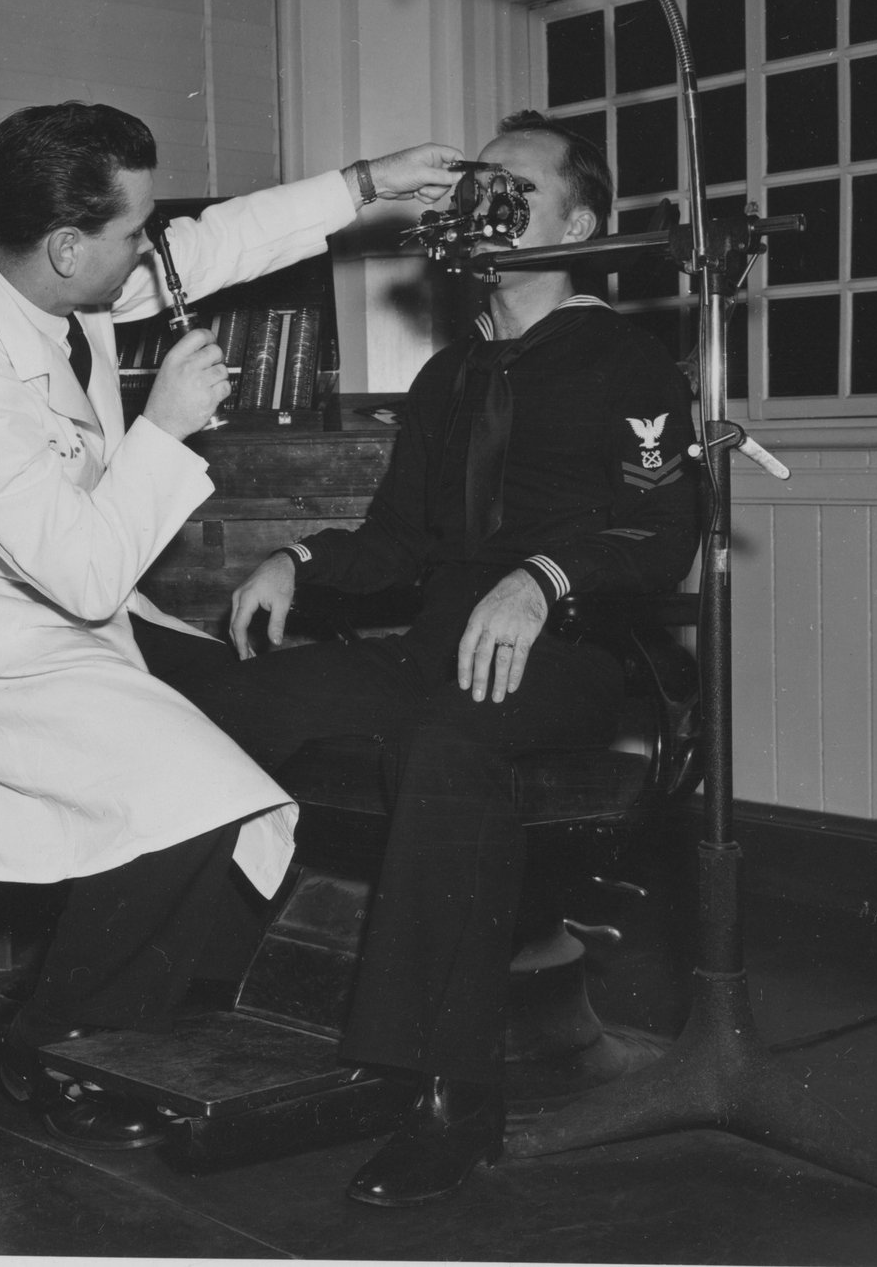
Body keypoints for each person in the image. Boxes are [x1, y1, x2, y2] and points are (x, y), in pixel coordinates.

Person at [0, 99, 461, 1151]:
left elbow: (199, 250)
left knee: (324, 698)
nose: (149, 253)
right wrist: (167, 427)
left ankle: (192, 998)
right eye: (130, 233)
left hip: (73, 612)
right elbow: (85, 575)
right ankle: (58, 1039)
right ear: (68, 244)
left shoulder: (25, 263)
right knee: (197, 797)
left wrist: (366, 182)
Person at [178, 112, 700, 1204]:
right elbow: (400, 545)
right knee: (231, 702)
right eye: (478, 188)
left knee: (445, 741)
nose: (485, 204)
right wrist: (295, 557)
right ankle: (182, 1008)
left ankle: (446, 1096)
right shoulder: (449, 376)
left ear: (579, 223)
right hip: (433, 643)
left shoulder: (629, 362)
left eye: (516, 188)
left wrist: (546, 577)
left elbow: (660, 538)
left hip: (563, 654)